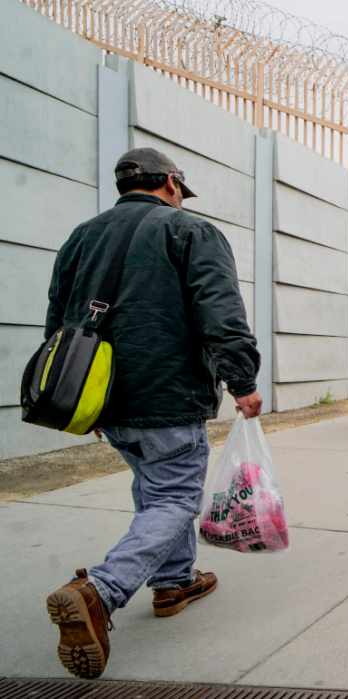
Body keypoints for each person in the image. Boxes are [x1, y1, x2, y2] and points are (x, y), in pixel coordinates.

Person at [43, 148, 261, 680]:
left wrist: (74, 397)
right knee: (176, 496)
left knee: (153, 488)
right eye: (179, 191)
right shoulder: (189, 231)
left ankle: (174, 581)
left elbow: (58, 317)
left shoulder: (81, 235)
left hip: (99, 393)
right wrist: (243, 380)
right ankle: (101, 589)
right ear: (170, 182)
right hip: (167, 393)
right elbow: (219, 309)